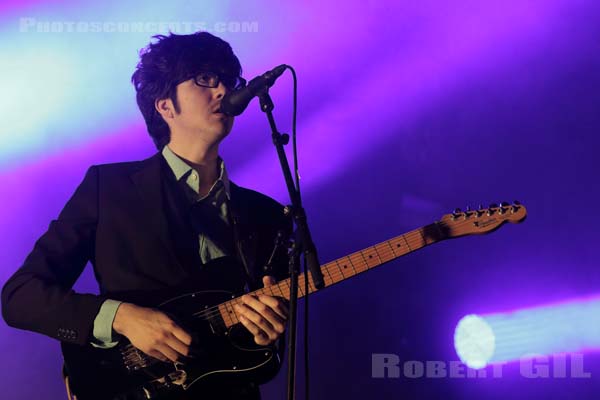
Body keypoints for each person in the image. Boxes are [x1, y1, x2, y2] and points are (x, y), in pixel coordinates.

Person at [1, 31, 291, 400]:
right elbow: (20, 295)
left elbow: (266, 351)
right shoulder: (109, 188)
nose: (221, 91)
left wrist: (267, 333)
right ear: (165, 106)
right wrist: (120, 316)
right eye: (204, 78)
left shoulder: (267, 214)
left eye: (227, 80)